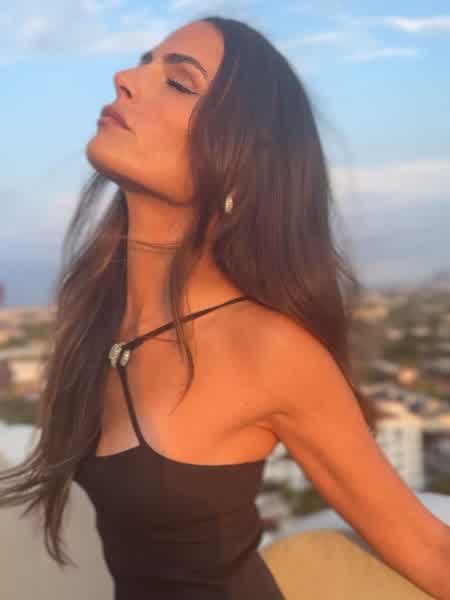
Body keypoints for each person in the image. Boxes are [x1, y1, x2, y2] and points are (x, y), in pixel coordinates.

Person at [1, 14, 406, 600]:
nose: (123, 78)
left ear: (240, 158)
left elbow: (422, 545)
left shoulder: (269, 348)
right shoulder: (99, 320)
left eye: (178, 82)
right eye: (143, 62)